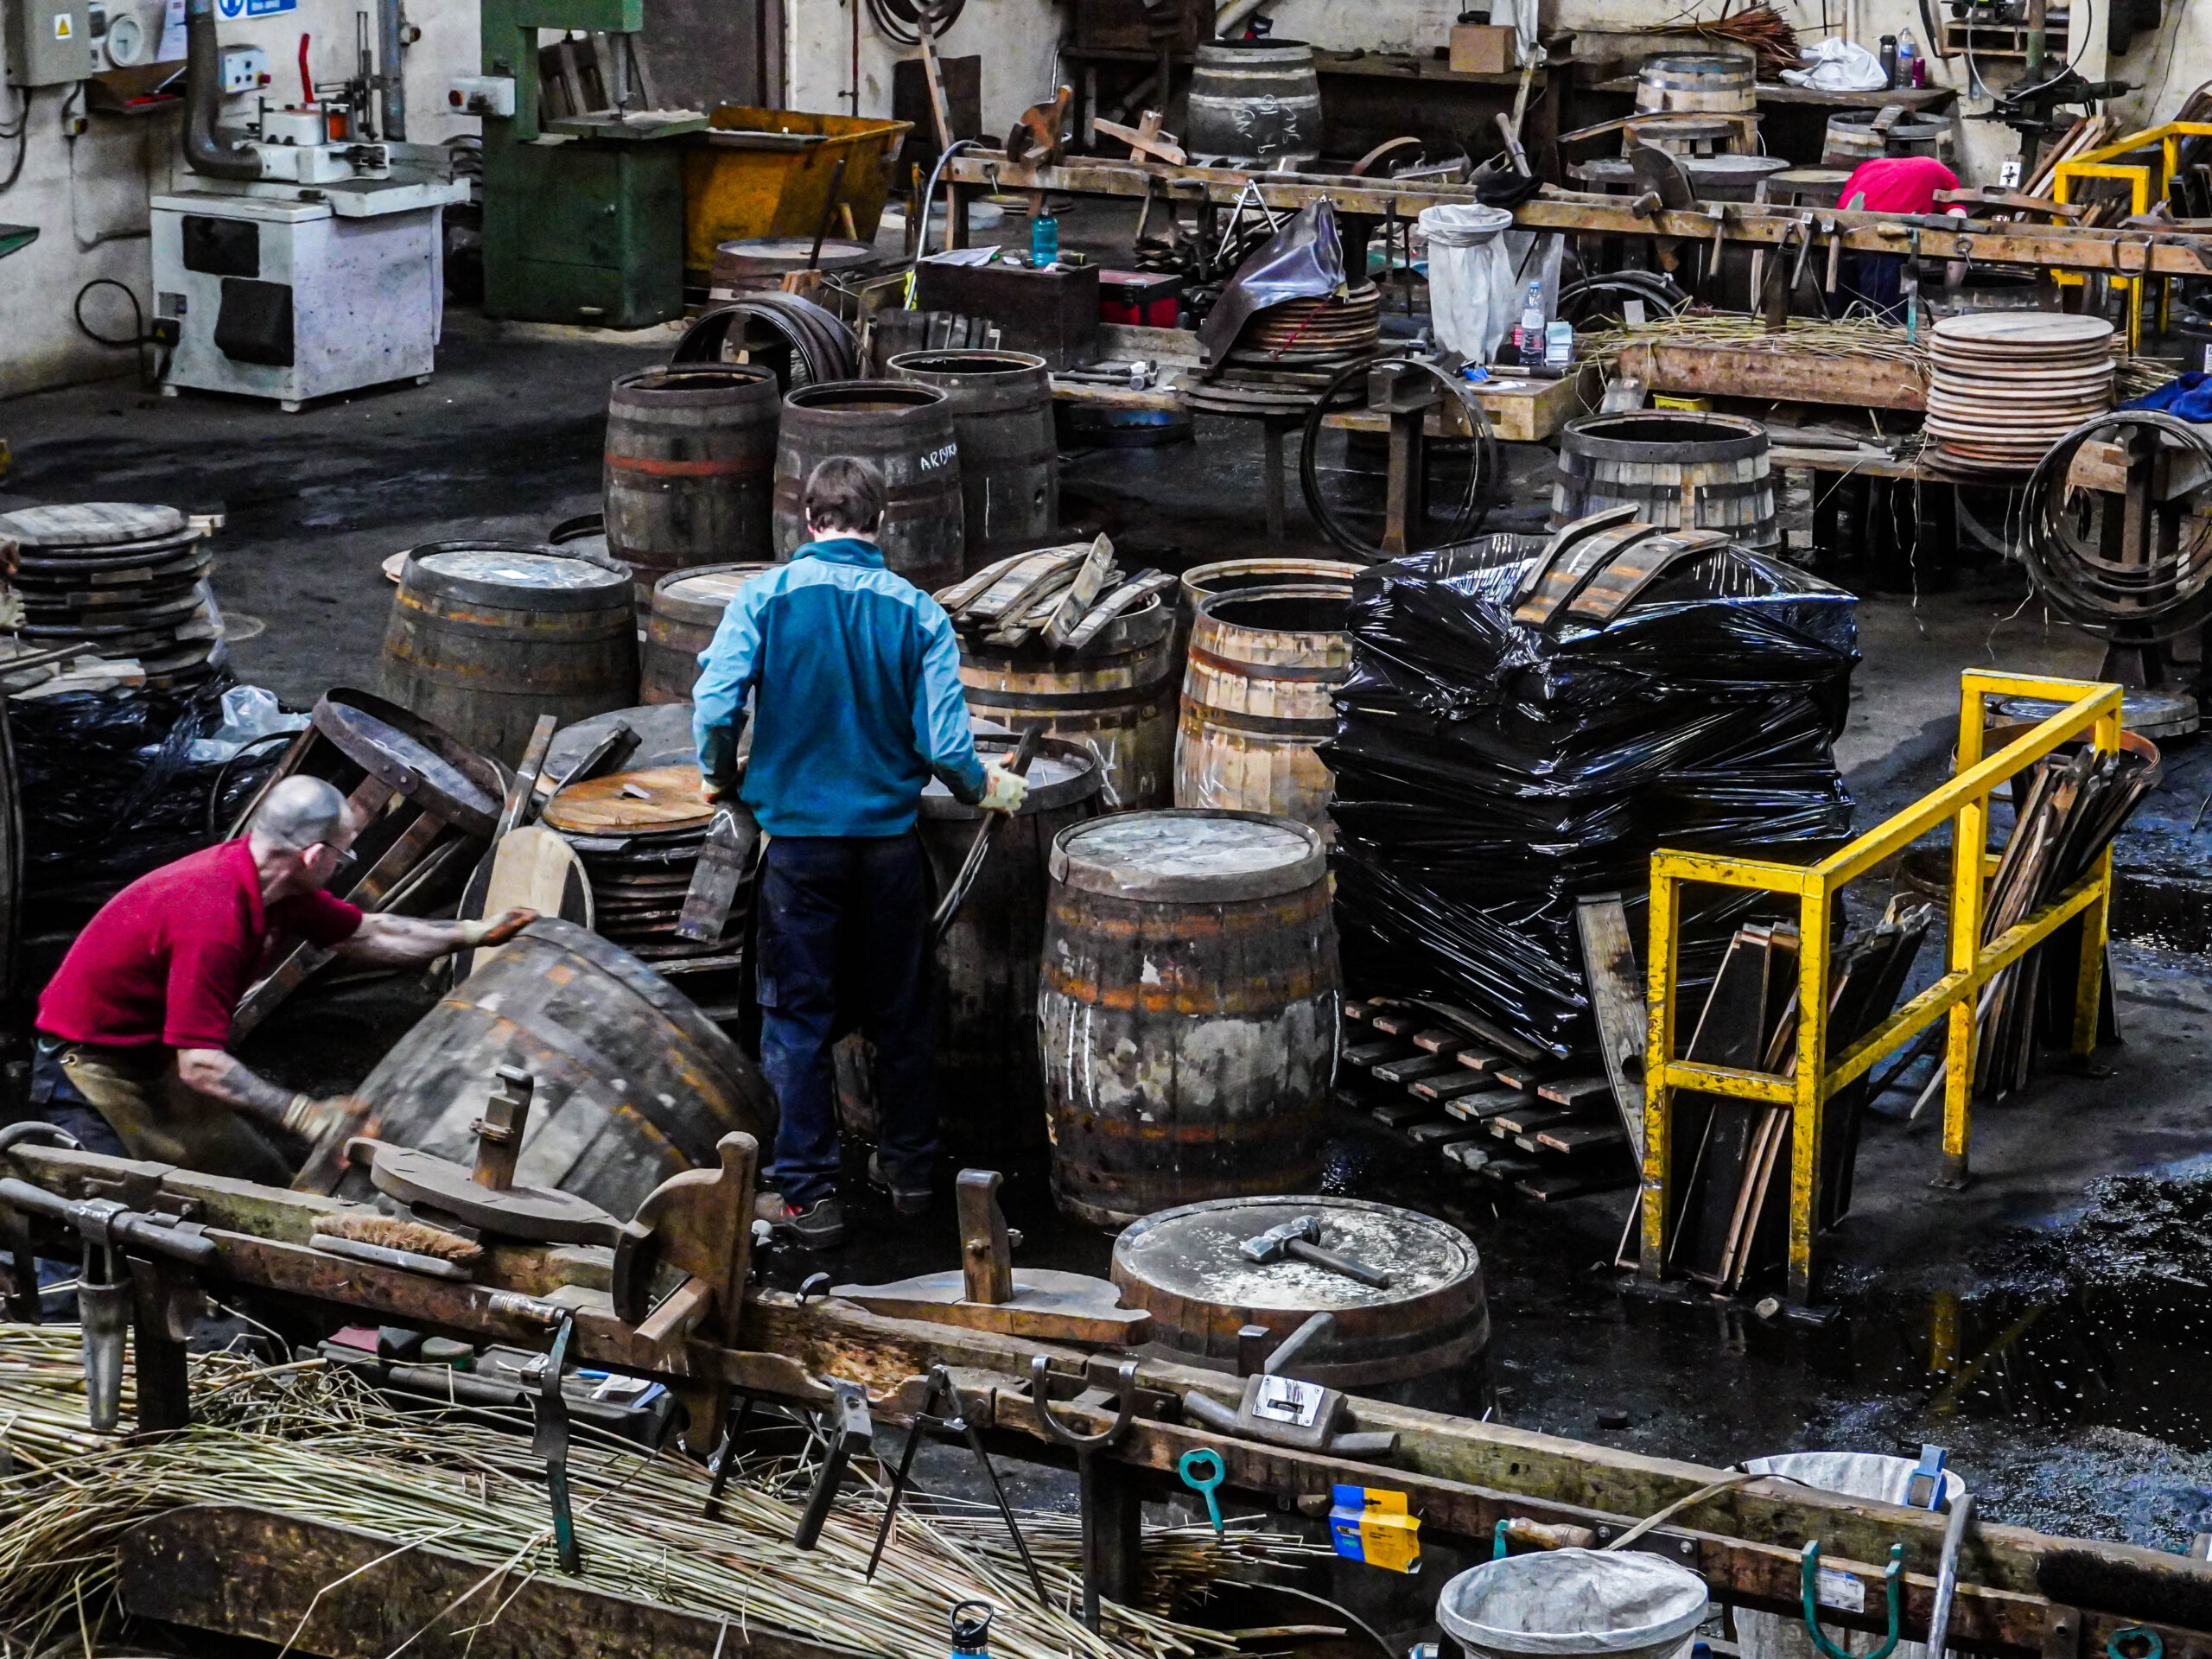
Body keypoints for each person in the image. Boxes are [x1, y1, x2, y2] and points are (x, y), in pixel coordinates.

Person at [691, 455, 1029, 1249]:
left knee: (798, 1021)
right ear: (881, 524)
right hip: (887, 850)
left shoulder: (764, 598)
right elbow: (946, 745)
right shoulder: (918, 613)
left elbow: (713, 704)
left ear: (807, 520)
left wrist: (721, 777)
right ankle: (912, 1176)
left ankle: (809, 1200)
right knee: (902, 1016)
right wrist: (989, 789)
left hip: (800, 853)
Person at [31, 775, 536, 1181]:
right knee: (100, 1219)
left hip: (152, 1058)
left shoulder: (278, 889)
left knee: (253, 1182)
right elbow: (201, 1065)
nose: (342, 864)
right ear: (313, 856)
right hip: (87, 1071)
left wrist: (473, 932)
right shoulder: (213, 918)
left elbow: (366, 934)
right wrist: (304, 1115)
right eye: (343, 853)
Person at [1837, 155, 1969, 319]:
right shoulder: (1946, 177)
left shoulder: (1870, 165)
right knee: (1881, 321)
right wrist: (1950, 289)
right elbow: (1962, 237)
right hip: (1885, 239)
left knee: (1842, 315)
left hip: (1842, 234)